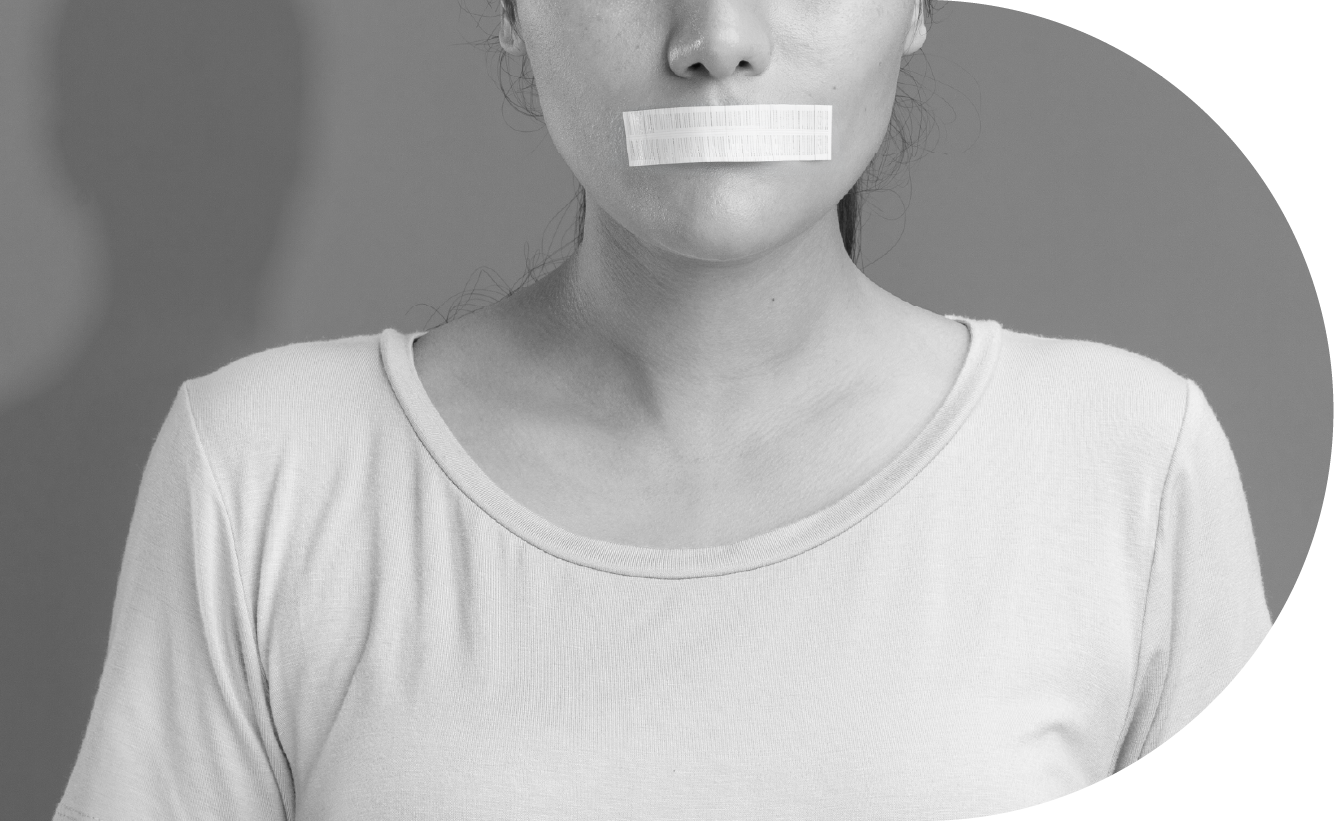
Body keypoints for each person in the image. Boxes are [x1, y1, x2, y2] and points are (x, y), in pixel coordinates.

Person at [54, 1, 1271, 819]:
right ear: (511, 13)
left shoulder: (1129, 470)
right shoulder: (267, 472)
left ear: (914, 9)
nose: (715, 41)